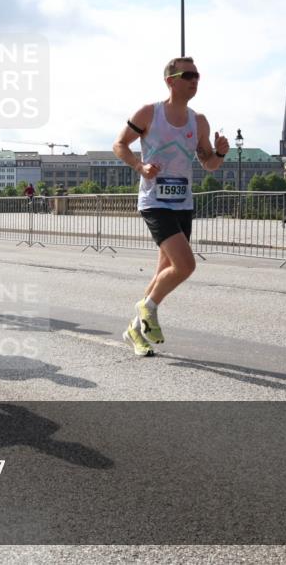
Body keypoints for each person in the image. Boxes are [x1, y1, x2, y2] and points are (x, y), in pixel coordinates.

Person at [112, 56, 228, 357]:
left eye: (197, 75)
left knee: (165, 269)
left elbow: (209, 164)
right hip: (154, 202)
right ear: (170, 80)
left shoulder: (198, 120)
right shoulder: (149, 113)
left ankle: (135, 330)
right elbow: (120, 144)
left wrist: (220, 153)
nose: (194, 80)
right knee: (185, 265)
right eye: (188, 74)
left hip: (182, 202)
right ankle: (146, 307)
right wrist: (140, 165)